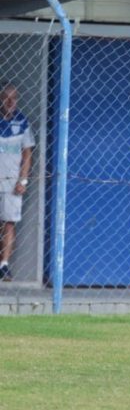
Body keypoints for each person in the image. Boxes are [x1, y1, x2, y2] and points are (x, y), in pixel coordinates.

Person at [0, 81, 34, 282]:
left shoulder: (22, 122)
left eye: (14, 98)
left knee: (9, 223)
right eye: (6, 97)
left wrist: (23, 180)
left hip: (12, 183)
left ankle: (3, 265)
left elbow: (27, 153)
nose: (10, 102)